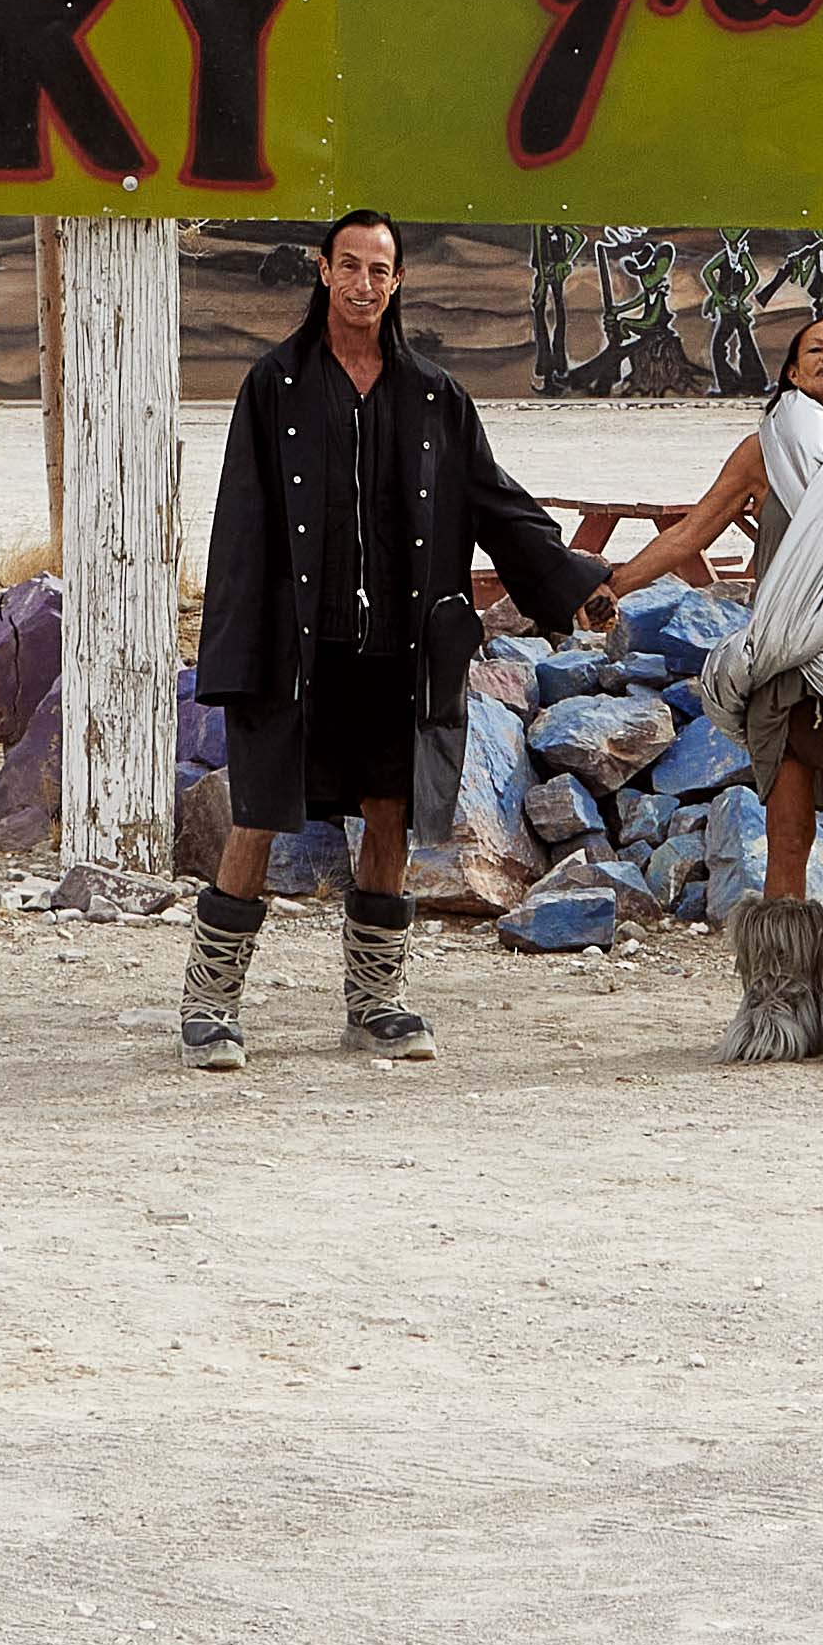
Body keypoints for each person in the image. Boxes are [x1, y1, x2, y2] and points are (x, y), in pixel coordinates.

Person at [183, 211, 617, 1073]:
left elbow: (497, 504)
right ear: (321, 271)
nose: (363, 284)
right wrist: (230, 657)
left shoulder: (433, 396)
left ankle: (375, 1004)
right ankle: (210, 1006)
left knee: (390, 813)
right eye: (349, 266)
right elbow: (240, 528)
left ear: (398, 282)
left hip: (403, 646)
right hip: (293, 647)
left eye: (379, 270)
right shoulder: (273, 386)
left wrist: (573, 582)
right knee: (259, 816)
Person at [601, 306, 823, 1067]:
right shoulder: (762, 452)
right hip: (788, 664)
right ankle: (777, 1011)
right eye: (813, 351)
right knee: (786, 836)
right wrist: (612, 585)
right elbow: (690, 533)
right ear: (792, 373)